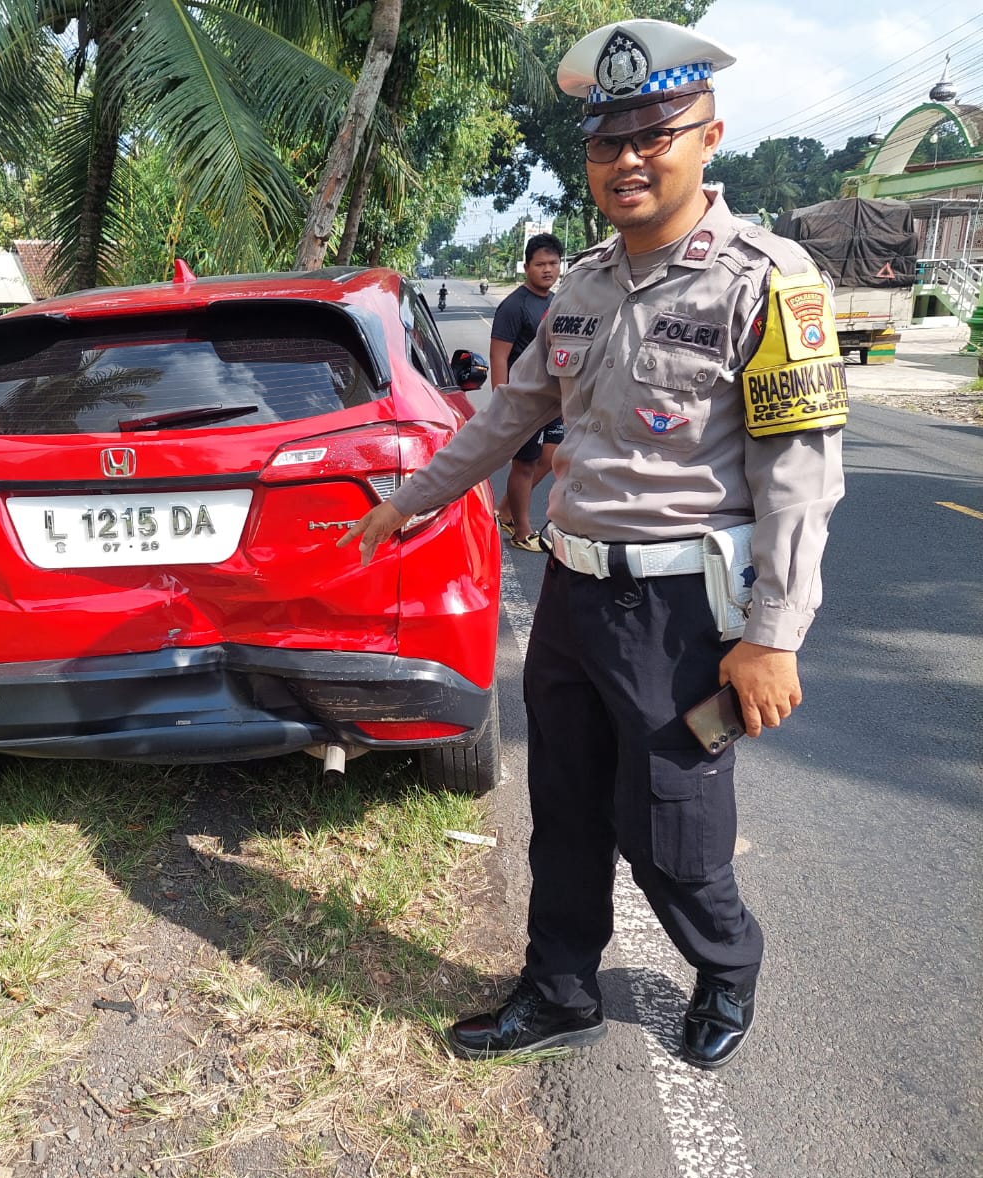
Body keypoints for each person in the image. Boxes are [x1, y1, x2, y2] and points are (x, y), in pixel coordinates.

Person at [339, 18, 847, 1070]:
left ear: (709, 138)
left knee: (673, 826)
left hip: (683, 613)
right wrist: (412, 498)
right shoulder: (580, 284)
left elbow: (799, 477)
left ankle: (724, 965)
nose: (626, 160)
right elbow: (509, 413)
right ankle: (559, 987)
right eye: (607, 142)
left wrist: (775, 634)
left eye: (653, 135)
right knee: (562, 810)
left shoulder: (768, 279)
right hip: (572, 597)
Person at [490, 233, 564, 551]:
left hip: (553, 398)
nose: (547, 270)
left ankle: (506, 509)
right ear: (526, 267)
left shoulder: (556, 302)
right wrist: (501, 401)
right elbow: (498, 356)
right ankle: (521, 531)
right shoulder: (514, 306)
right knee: (524, 465)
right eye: (540, 264)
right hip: (524, 400)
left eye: (553, 263)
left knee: (550, 458)